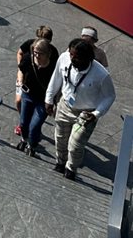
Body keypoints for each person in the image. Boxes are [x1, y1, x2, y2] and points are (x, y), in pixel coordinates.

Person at [45, 38, 116, 180]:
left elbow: (110, 96)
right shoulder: (64, 59)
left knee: (75, 145)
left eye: (76, 57)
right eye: (71, 54)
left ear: (87, 58)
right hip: (65, 106)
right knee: (60, 138)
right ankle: (60, 162)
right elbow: (56, 78)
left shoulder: (101, 74)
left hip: (86, 114)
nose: (72, 58)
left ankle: (71, 168)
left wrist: (96, 114)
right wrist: (49, 99)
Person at [15, 38, 56, 156]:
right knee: (23, 122)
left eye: (40, 53)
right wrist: (21, 80)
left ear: (47, 54)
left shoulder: (53, 67)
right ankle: (23, 139)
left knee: (35, 126)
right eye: (35, 52)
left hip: (43, 100)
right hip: (28, 94)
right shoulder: (29, 59)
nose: (36, 55)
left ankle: (32, 145)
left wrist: (53, 103)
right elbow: (21, 69)